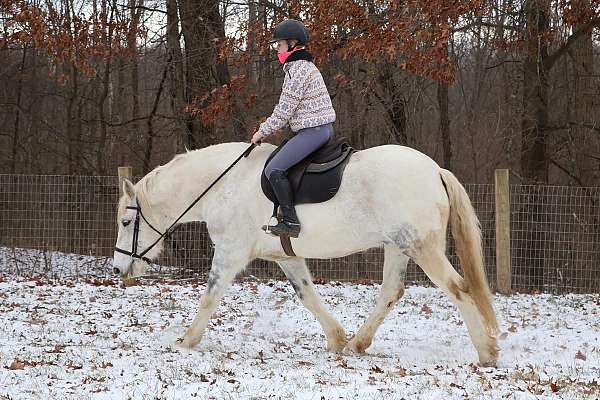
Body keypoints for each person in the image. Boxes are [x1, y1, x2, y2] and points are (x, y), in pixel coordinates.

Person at [251, 19, 336, 238]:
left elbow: (284, 111)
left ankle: (290, 222)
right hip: (317, 130)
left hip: (314, 132)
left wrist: (262, 131)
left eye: (279, 45)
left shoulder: (297, 70)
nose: (277, 50)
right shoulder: (302, 67)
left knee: (273, 169)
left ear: (292, 44)